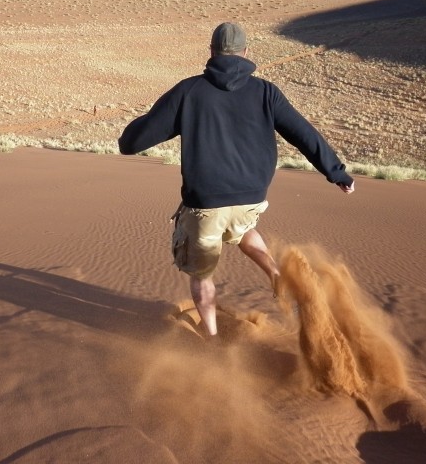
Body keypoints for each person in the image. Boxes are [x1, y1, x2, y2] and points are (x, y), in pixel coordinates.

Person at [118, 22, 355, 338]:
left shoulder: (189, 91)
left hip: (205, 204)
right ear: (246, 53)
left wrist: (135, 129)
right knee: (242, 227)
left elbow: (132, 144)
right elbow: (304, 135)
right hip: (251, 198)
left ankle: (212, 338)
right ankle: (274, 273)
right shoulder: (266, 92)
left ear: (212, 52)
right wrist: (336, 172)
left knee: (202, 276)